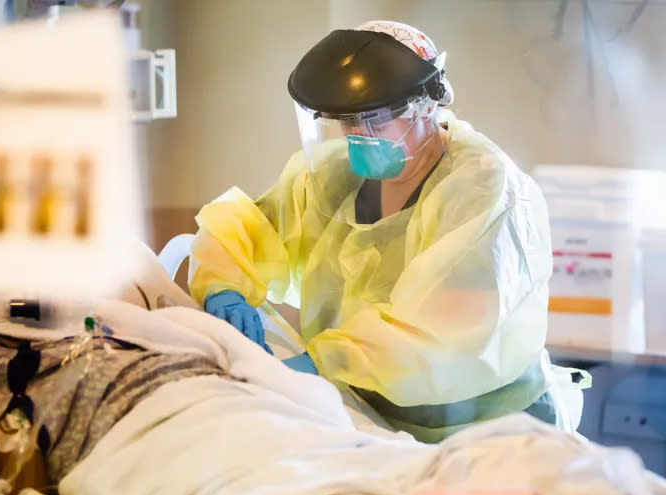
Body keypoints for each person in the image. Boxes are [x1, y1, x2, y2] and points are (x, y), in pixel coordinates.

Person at [189, 21, 577, 442]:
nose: (358, 136)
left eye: (372, 120)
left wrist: (324, 363)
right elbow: (253, 227)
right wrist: (223, 286)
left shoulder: (484, 191)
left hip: (484, 429)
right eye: (345, 122)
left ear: (426, 106)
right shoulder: (335, 177)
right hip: (371, 416)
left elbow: (438, 336)